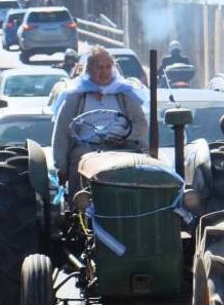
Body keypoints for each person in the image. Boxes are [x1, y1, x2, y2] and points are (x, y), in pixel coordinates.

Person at [51, 46, 150, 194]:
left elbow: (140, 124)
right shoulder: (76, 96)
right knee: (78, 173)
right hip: (86, 149)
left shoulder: (124, 95)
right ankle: (80, 208)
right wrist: (61, 166)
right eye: (99, 67)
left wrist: (125, 136)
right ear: (88, 69)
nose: (104, 72)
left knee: (143, 170)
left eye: (107, 67)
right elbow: (62, 133)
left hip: (123, 148)